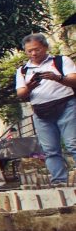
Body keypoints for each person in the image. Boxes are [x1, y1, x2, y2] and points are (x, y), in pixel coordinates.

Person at [15, 33, 76, 185]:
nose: (33, 53)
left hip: (65, 104)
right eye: (29, 51)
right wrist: (29, 86)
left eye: (37, 49)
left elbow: (74, 80)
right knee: (50, 149)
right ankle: (59, 180)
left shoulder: (61, 61)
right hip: (40, 111)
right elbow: (21, 94)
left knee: (72, 143)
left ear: (45, 47)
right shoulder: (22, 70)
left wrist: (57, 77)